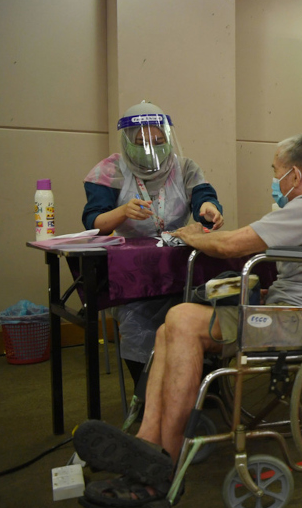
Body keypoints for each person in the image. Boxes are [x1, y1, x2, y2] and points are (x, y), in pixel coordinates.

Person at [73, 133, 302, 508]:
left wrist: (194, 236)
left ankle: (163, 463)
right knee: (168, 329)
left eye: (276, 172)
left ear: (295, 175)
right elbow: (247, 240)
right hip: (292, 314)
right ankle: (147, 448)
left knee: (180, 317)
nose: (275, 179)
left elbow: (233, 245)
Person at [82, 101, 224, 387]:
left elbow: (202, 197)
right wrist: (122, 212)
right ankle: (147, 389)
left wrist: (209, 206)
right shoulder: (109, 171)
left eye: (160, 141)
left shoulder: (184, 168)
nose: (153, 148)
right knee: (137, 322)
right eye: (143, 142)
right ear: (128, 141)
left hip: (180, 264)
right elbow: (93, 222)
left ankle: (204, 385)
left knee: (208, 308)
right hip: (133, 272)